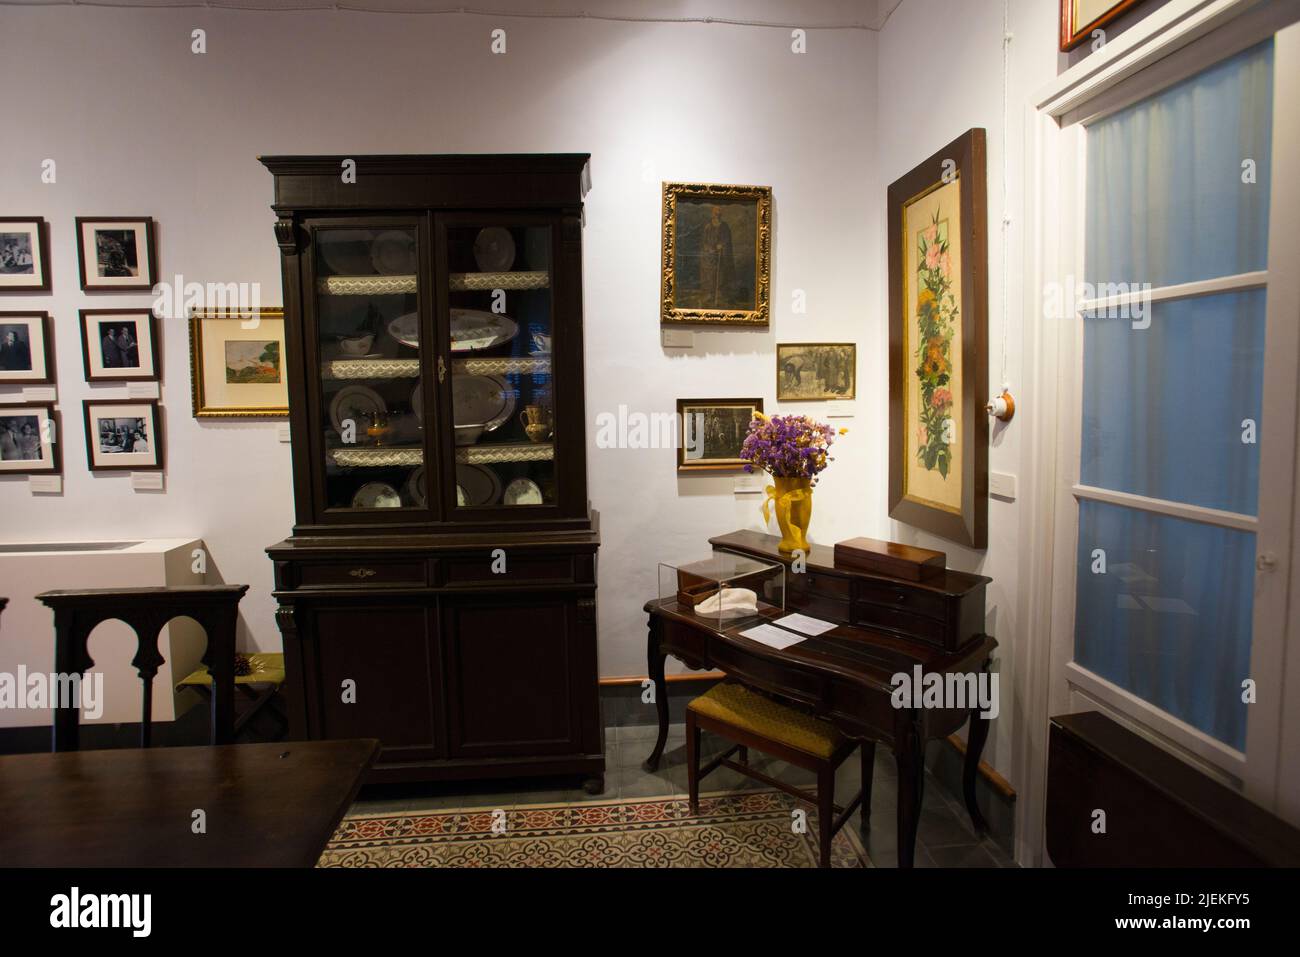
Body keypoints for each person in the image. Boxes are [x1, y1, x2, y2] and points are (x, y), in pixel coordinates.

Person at [697, 205, 734, 307]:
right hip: (710, 256)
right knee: (709, 275)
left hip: (721, 256)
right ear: (712, 214)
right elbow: (704, 242)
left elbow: (727, 240)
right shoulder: (707, 226)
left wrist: (722, 245)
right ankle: (709, 295)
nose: (717, 214)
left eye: (719, 213)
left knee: (721, 274)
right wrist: (711, 248)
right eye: (715, 212)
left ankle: (720, 295)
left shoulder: (725, 226)